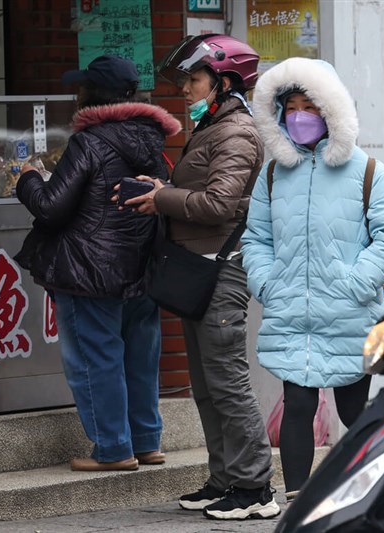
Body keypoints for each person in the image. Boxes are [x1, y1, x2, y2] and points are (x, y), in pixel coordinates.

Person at [122, 35, 278, 521]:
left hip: (222, 269)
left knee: (228, 381)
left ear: (224, 82)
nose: (185, 88)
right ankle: (224, 478)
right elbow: (207, 192)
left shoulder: (235, 133)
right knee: (207, 384)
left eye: (194, 79)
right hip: (199, 266)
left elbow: (219, 204)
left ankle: (255, 489)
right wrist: (165, 187)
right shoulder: (215, 126)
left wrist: (162, 198)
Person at [243, 57, 384, 499]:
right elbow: (256, 237)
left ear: (331, 111)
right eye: (291, 106)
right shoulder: (274, 173)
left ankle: (369, 489)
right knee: (298, 404)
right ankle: (298, 498)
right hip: (291, 310)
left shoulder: (368, 171)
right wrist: (267, 282)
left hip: (351, 313)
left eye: (310, 106)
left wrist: (355, 284)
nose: (299, 116)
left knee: (353, 409)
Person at [14, 55, 182, 471]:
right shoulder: (152, 143)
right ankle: (145, 442)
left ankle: (112, 449)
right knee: (140, 357)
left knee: (96, 358)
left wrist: (28, 178)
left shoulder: (89, 142)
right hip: (141, 268)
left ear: (92, 94)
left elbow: (51, 208)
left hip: (89, 271)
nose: (77, 93)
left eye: (82, 87)